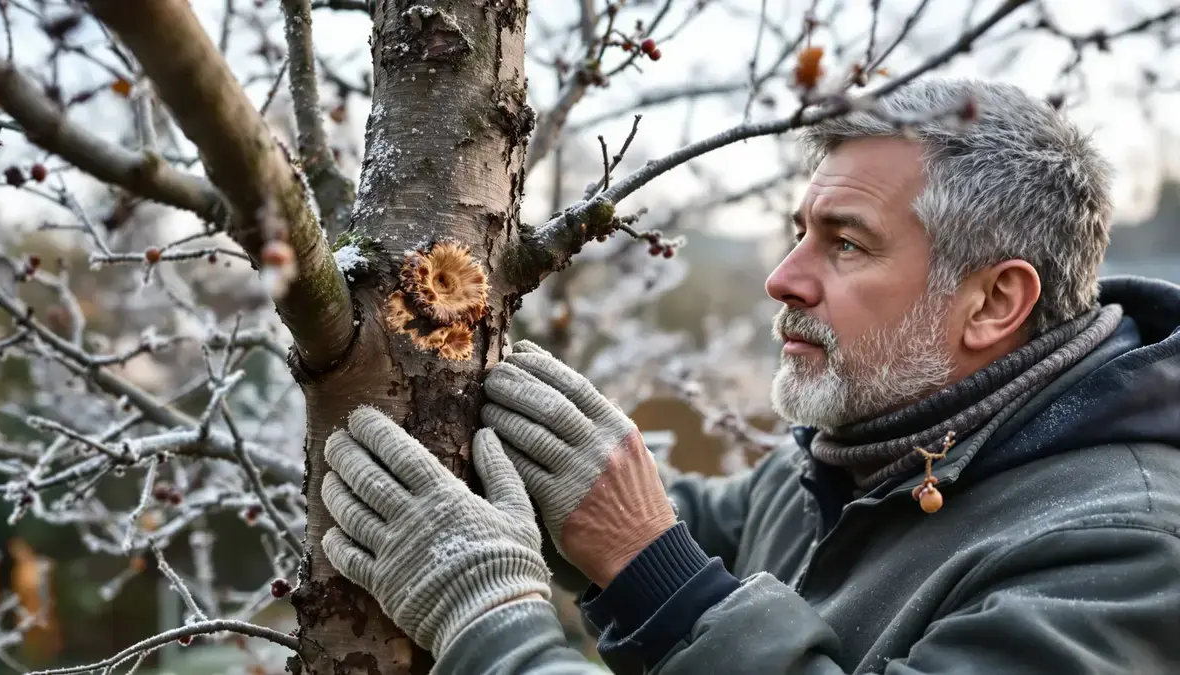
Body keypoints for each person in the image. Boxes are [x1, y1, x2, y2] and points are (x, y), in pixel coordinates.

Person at [317, 78, 1180, 674]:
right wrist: (505, 442)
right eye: (797, 231)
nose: (785, 276)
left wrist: (488, 619)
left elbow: (666, 563)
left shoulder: (1126, 556)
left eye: (845, 242)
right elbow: (691, 535)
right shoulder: (869, 451)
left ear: (994, 302)